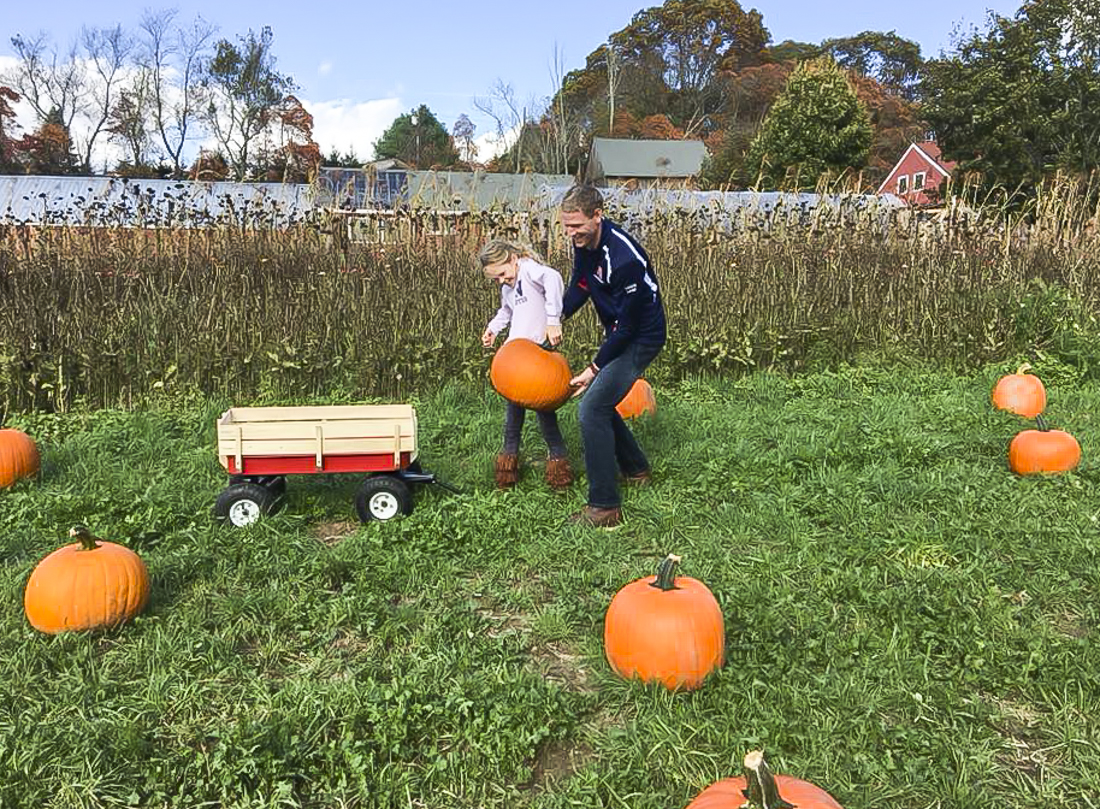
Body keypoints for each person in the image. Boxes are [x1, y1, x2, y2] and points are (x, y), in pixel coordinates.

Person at [559, 185, 666, 527]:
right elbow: (582, 284)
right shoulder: (585, 245)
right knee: (599, 404)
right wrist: (554, 317)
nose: (570, 233)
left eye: (577, 225)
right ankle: (636, 469)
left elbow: (627, 328)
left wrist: (594, 367)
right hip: (620, 331)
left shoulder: (623, 259)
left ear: (597, 215)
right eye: (565, 226)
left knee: (591, 408)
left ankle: (604, 506)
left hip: (641, 336)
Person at [478, 238, 573, 490]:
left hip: (539, 356)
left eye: (502, 273)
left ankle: (559, 470)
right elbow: (506, 312)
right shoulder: (508, 288)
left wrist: (553, 320)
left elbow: (553, 277)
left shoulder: (530, 270)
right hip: (516, 359)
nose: (501, 280)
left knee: (546, 416)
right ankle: (507, 471)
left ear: (512, 259)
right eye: (495, 278)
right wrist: (492, 329)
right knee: (512, 420)